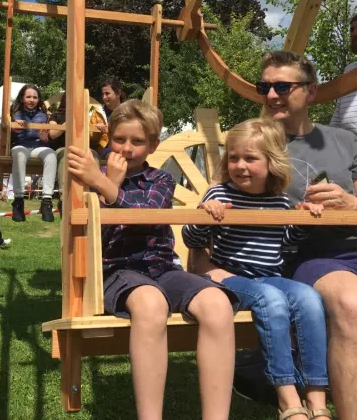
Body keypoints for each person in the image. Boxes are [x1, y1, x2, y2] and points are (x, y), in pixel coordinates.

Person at [68, 99, 237, 420]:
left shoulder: (160, 180)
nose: (127, 148)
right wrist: (109, 182)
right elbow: (94, 239)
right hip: (117, 269)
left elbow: (146, 214)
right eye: (120, 140)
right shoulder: (88, 181)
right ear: (108, 139)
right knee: (151, 304)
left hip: (162, 268)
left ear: (153, 145)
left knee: (217, 303)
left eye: (137, 141)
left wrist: (106, 185)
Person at [183, 118, 330, 420]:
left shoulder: (279, 202)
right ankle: (287, 397)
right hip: (229, 276)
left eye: (250, 158)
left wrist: (304, 221)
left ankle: (317, 398)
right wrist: (204, 217)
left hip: (270, 276)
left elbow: (285, 245)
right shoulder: (219, 195)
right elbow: (191, 239)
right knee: (271, 300)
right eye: (234, 158)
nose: (240, 166)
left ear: (271, 162)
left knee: (310, 298)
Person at [256, 49, 357, 420]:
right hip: (310, 255)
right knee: (351, 303)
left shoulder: (346, 140)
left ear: (311, 92)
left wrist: (351, 203)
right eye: (264, 86)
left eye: (282, 85)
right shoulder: (254, 144)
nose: (270, 95)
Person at [48, 92, 108, 211]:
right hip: (63, 148)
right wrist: (67, 124)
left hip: (83, 149)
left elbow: (94, 139)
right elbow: (52, 134)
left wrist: (98, 129)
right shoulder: (56, 116)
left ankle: (93, 194)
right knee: (66, 154)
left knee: (93, 154)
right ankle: (64, 197)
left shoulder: (86, 116)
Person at [10, 84, 57, 223]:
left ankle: (46, 201)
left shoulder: (43, 115)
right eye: (28, 97)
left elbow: (45, 137)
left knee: (51, 154)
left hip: (37, 146)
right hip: (21, 145)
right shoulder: (14, 113)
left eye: (35, 97)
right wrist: (15, 127)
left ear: (39, 99)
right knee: (19, 154)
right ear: (22, 98)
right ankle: (18, 201)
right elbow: (10, 132)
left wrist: (44, 136)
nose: (31, 100)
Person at [330, 12, 357, 133]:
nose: (355, 33)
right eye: (352, 29)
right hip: (347, 145)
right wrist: (331, 138)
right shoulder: (349, 69)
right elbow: (339, 111)